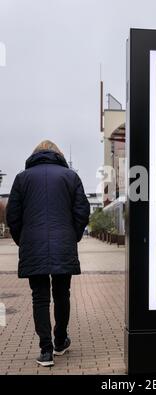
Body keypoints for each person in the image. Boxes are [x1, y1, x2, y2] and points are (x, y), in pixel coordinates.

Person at [6, 140, 90, 367]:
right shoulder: (71, 177)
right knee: (63, 294)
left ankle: (45, 351)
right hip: (63, 243)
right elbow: (82, 211)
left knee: (40, 297)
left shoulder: (22, 179)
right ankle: (60, 340)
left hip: (33, 244)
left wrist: (22, 240)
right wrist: (73, 236)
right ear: (59, 155)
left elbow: (12, 215)